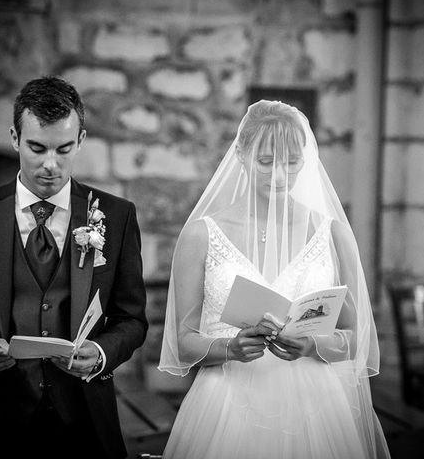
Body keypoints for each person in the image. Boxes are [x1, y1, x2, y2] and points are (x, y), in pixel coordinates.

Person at [0, 76, 148, 459]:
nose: (50, 165)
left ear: (80, 140)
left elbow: (132, 319)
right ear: (14, 138)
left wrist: (100, 352)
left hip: (84, 421)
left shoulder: (117, 216)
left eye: (64, 149)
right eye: (36, 148)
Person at [158, 100, 390, 458]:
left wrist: (313, 345)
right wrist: (228, 348)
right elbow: (182, 342)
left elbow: (361, 340)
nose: (280, 175)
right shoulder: (200, 236)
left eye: (291, 162)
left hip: (317, 408)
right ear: (241, 154)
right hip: (226, 403)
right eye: (266, 162)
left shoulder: (333, 234)